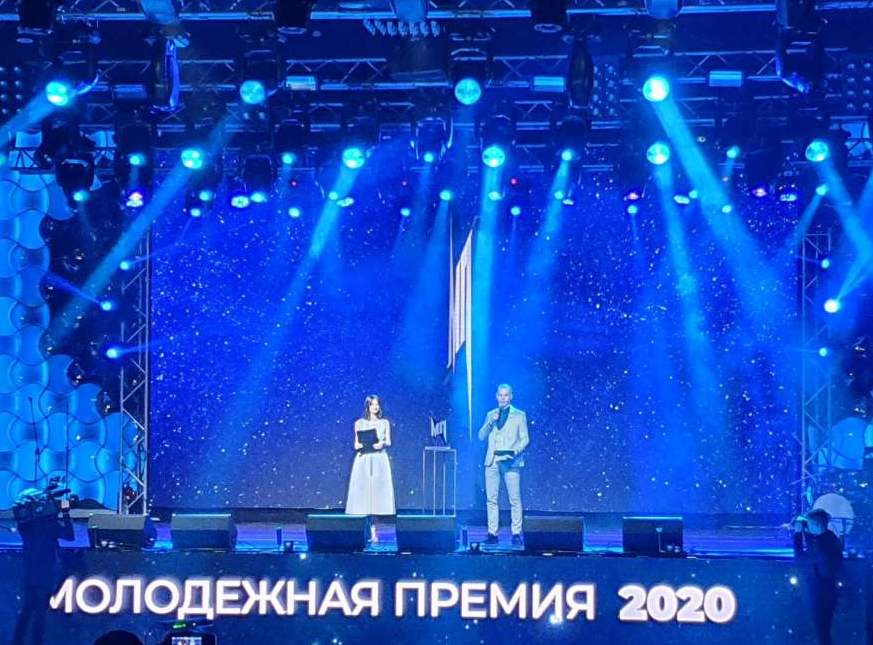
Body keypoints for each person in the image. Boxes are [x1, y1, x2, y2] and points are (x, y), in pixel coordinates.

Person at [12, 489, 74, 645]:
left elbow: (69, 536)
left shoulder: (29, 526)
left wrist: (58, 508)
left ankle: (19, 641)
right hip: (42, 575)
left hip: (33, 574)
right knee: (36, 614)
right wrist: (65, 513)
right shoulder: (44, 525)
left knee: (28, 612)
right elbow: (70, 535)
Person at [478, 383, 529, 546]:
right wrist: (490, 422)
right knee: (491, 499)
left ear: (511, 396)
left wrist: (515, 451)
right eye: (500, 395)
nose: (503, 398)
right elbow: (481, 436)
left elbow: (525, 439)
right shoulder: (491, 414)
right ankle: (492, 533)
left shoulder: (519, 415)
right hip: (492, 461)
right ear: (496, 396)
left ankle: (516, 533)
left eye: (506, 395)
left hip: (510, 461)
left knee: (514, 498)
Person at [345, 394, 395, 542]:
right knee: (363, 495)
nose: (375, 407)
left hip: (379, 459)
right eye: (372, 404)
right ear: (367, 406)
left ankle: (374, 533)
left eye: (377, 404)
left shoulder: (384, 423)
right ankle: (362, 531)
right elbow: (356, 443)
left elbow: (389, 442)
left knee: (376, 496)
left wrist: (382, 444)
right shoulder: (359, 423)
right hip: (364, 459)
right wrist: (360, 445)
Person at [793, 508, 843, 645]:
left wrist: (798, 534)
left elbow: (800, 558)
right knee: (824, 631)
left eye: (809, 525)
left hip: (819, 593)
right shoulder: (830, 539)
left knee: (822, 632)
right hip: (829, 592)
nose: (807, 528)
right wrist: (805, 531)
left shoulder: (819, 545)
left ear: (816, 525)